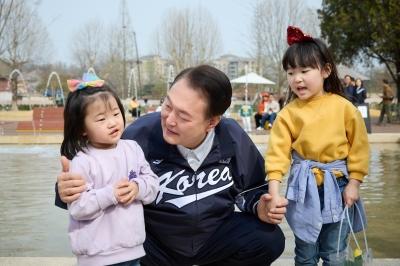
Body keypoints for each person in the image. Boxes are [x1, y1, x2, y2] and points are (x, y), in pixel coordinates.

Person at [56, 65, 288, 266]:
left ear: (212, 122)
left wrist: (259, 205)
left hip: (214, 236)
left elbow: (252, 188)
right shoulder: (139, 135)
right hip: (153, 244)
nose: (169, 120)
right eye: (168, 106)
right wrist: (64, 190)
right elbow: (91, 175)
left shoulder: (233, 137)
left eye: (184, 117)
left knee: (269, 239)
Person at [265, 26, 369, 265]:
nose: (297, 78)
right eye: (291, 72)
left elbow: (359, 150)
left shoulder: (345, 108)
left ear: (326, 70)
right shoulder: (287, 114)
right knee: (305, 253)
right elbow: (277, 156)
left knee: (334, 252)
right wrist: (273, 194)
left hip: (339, 186)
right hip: (303, 189)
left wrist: (354, 184)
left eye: (305, 70)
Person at [62, 73, 159, 265]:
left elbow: (153, 184)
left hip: (133, 250)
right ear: (82, 128)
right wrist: (110, 194)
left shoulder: (132, 149)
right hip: (97, 256)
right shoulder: (83, 160)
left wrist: (138, 187)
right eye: (101, 119)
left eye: (115, 114)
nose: (113, 122)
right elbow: (78, 207)